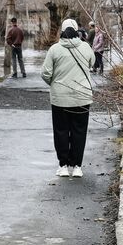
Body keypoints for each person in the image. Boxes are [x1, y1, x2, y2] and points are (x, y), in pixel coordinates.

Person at [40, 18, 95, 178]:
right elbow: (91, 64)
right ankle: (77, 166)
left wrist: (55, 84)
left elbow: (45, 73)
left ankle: (63, 166)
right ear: (77, 30)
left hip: (60, 99)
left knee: (61, 131)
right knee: (79, 131)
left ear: (62, 31)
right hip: (82, 97)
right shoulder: (85, 47)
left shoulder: (54, 49)